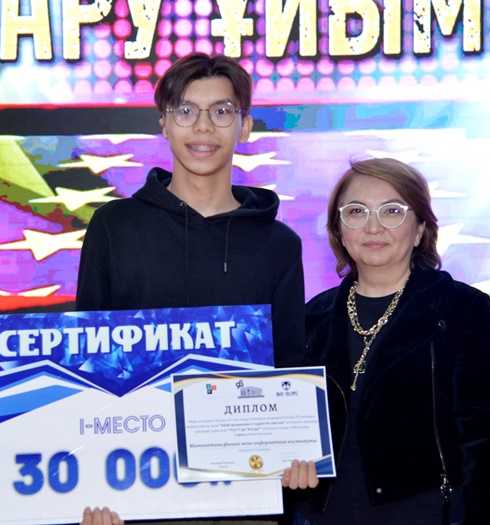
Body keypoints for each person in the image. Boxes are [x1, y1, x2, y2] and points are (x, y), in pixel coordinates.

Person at [75, 52, 316, 524]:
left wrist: (299, 449)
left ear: (244, 127)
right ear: (164, 124)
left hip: (243, 495)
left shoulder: (279, 244)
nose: (203, 126)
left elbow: (288, 367)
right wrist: (91, 488)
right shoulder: (113, 227)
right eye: (186, 111)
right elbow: (87, 359)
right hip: (134, 492)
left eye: (222, 111)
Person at [288, 158, 490, 525]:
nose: (373, 226)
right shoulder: (312, 317)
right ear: (339, 229)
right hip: (320, 517)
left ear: (421, 229)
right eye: (356, 211)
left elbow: (489, 444)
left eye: (392, 211)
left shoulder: (462, 310)